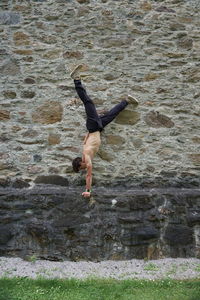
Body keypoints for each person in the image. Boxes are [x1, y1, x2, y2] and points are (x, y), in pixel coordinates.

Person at [71, 64, 139, 198]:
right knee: (112, 115)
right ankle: (126, 101)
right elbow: (85, 139)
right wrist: (90, 133)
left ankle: (76, 79)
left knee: (88, 102)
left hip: (94, 126)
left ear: (80, 165)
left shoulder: (87, 158)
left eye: (80, 169)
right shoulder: (85, 150)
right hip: (97, 127)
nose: (83, 170)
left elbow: (89, 175)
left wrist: (88, 191)